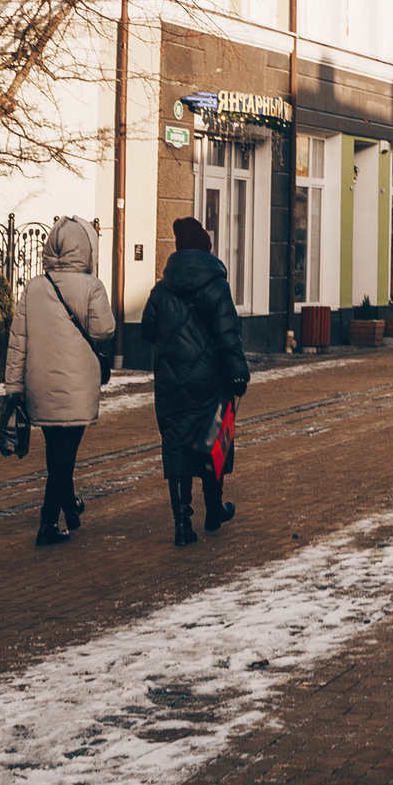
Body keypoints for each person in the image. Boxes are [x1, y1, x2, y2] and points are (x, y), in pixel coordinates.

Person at [4, 215, 116, 548]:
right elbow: (104, 330)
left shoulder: (34, 287)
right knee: (64, 457)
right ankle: (48, 522)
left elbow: (18, 341)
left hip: (39, 386)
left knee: (56, 451)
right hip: (77, 388)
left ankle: (69, 504)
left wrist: (14, 388)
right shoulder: (92, 286)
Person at [145, 216, 250, 546]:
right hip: (209, 380)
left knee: (176, 445)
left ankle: (182, 524)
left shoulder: (161, 290)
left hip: (171, 382)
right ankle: (214, 510)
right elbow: (228, 334)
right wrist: (238, 372)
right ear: (206, 250)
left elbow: (146, 330)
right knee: (212, 439)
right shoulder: (217, 287)